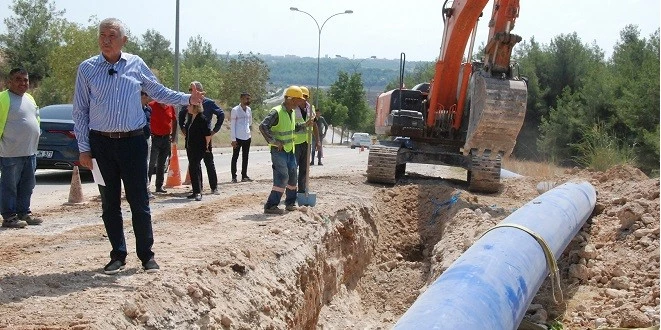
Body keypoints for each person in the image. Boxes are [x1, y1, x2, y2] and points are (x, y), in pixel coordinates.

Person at [72, 18, 205, 275]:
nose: (106, 39)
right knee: (109, 203)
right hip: (101, 144)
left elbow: (159, 92)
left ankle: (146, 256)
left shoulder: (135, 64)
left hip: (133, 143)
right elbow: (80, 111)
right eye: (102, 35)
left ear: (124, 40)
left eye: (112, 35)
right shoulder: (87, 69)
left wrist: (187, 98)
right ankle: (118, 255)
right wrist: (84, 148)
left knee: (139, 201)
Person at [0, 67, 43, 228]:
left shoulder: (30, 98)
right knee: (9, 186)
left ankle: (24, 212)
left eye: (25, 80)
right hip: (10, 153)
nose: (23, 83)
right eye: (18, 79)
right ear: (9, 82)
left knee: (28, 185)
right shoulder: (3, 99)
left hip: (30, 152)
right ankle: (9, 216)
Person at [259, 86, 309, 214]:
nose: (299, 103)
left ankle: (290, 203)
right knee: (283, 177)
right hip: (278, 152)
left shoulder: (291, 112)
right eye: (297, 100)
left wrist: (304, 124)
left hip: (289, 150)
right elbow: (263, 126)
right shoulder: (277, 112)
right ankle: (271, 205)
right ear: (289, 99)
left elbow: (292, 129)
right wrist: (273, 141)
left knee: (293, 177)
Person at [178, 81, 224, 195]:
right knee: (194, 164)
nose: (190, 92)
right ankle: (198, 188)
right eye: (190, 90)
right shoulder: (189, 102)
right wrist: (183, 128)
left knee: (208, 162)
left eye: (192, 90)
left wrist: (214, 131)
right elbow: (181, 114)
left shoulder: (209, 103)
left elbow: (221, 114)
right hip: (192, 137)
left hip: (205, 136)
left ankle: (214, 187)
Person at [294, 86, 320, 195]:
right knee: (293, 169)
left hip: (307, 142)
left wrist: (318, 141)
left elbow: (314, 125)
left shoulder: (311, 108)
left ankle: (302, 191)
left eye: (304, 97)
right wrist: (305, 124)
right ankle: (291, 191)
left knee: (304, 169)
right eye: (301, 97)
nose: (302, 99)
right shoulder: (293, 109)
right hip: (295, 142)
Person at [147, 99, 176, 194]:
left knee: (162, 163)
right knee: (151, 163)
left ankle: (159, 186)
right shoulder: (151, 106)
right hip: (155, 138)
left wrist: (173, 135)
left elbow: (174, 120)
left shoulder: (170, 106)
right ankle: (147, 186)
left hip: (166, 138)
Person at [184, 103, 212, 201]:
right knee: (193, 168)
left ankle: (198, 192)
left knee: (193, 167)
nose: (188, 107)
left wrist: (207, 146)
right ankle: (196, 190)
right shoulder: (191, 118)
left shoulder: (202, 119)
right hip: (190, 147)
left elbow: (207, 134)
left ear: (195, 107)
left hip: (198, 148)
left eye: (189, 106)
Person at [230, 92, 253, 183]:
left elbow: (250, 122)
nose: (248, 100)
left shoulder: (249, 110)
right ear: (241, 99)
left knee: (245, 156)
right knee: (235, 156)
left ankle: (244, 175)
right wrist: (233, 139)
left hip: (247, 136)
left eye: (249, 98)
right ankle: (234, 177)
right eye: (246, 98)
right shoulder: (235, 110)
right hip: (238, 137)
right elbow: (232, 125)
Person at [140, 92, 154, 199]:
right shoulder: (134, 109)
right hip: (136, 138)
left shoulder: (149, 109)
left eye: (146, 97)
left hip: (147, 138)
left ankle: (146, 188)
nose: (146, 99)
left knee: (146, 163)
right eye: (143, 97)